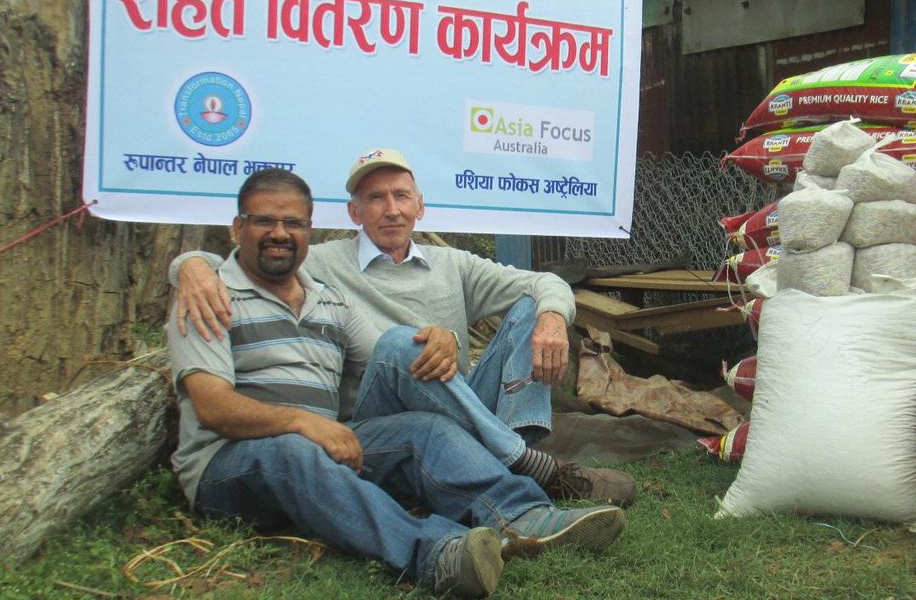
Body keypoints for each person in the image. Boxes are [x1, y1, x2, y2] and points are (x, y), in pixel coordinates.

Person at [168, 168, 626, 598]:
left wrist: (438, 340)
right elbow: (213, 408)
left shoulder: (326, 299)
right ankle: (433, 552)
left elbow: (395, 354)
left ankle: (524, 513)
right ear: (237, 228)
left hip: (333, 444)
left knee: (423, 422)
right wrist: (188, 263)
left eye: (293, 223)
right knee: (293, 451)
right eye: (264, 221)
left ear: (309, 230)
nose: (280, 234)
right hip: (232, 462)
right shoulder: (209, 297)